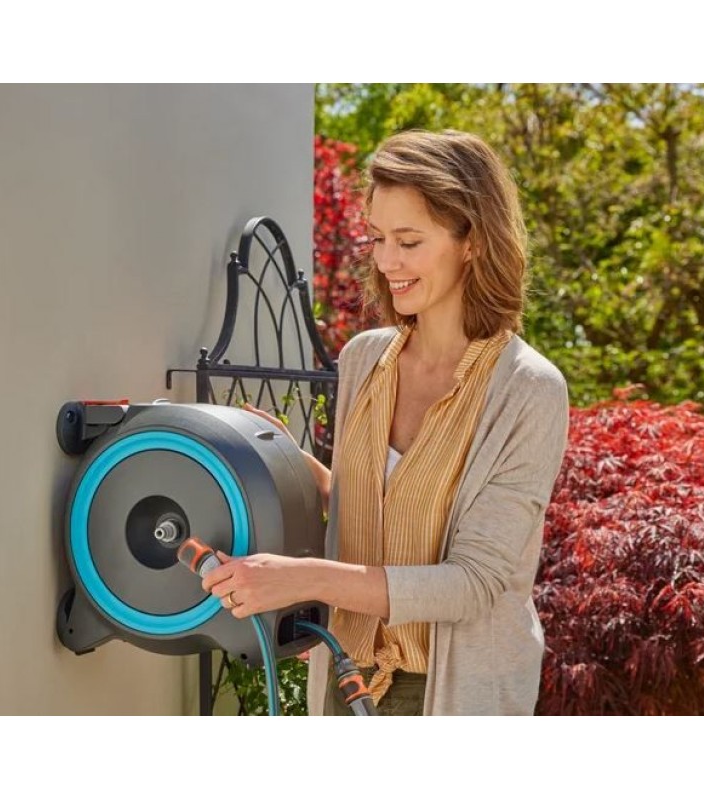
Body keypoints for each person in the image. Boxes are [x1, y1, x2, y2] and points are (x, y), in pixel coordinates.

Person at [202, 129, 570, 715]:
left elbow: (473, 583)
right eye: (377, 238)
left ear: (472, 241)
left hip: (446, 691)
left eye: (409, 241)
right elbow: (388, 511)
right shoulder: (364, 360)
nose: (385, 260)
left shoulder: (526, 389)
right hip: (346, 674)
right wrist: (304, 474)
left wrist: (305, 578)